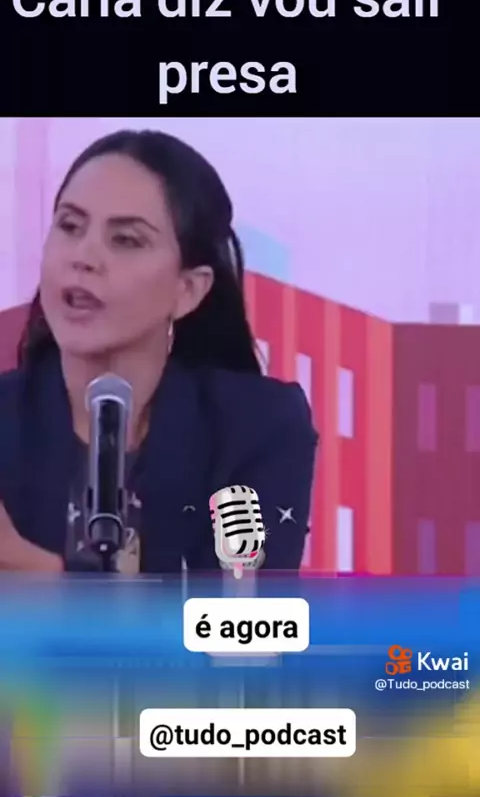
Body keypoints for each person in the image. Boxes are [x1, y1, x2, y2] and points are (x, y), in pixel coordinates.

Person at [0, 129, 318, 574]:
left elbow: (242, 610)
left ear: (187, 290)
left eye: (126, 240)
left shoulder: (258, 427)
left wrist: (40, 575)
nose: (83, 256)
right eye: (69, 226)